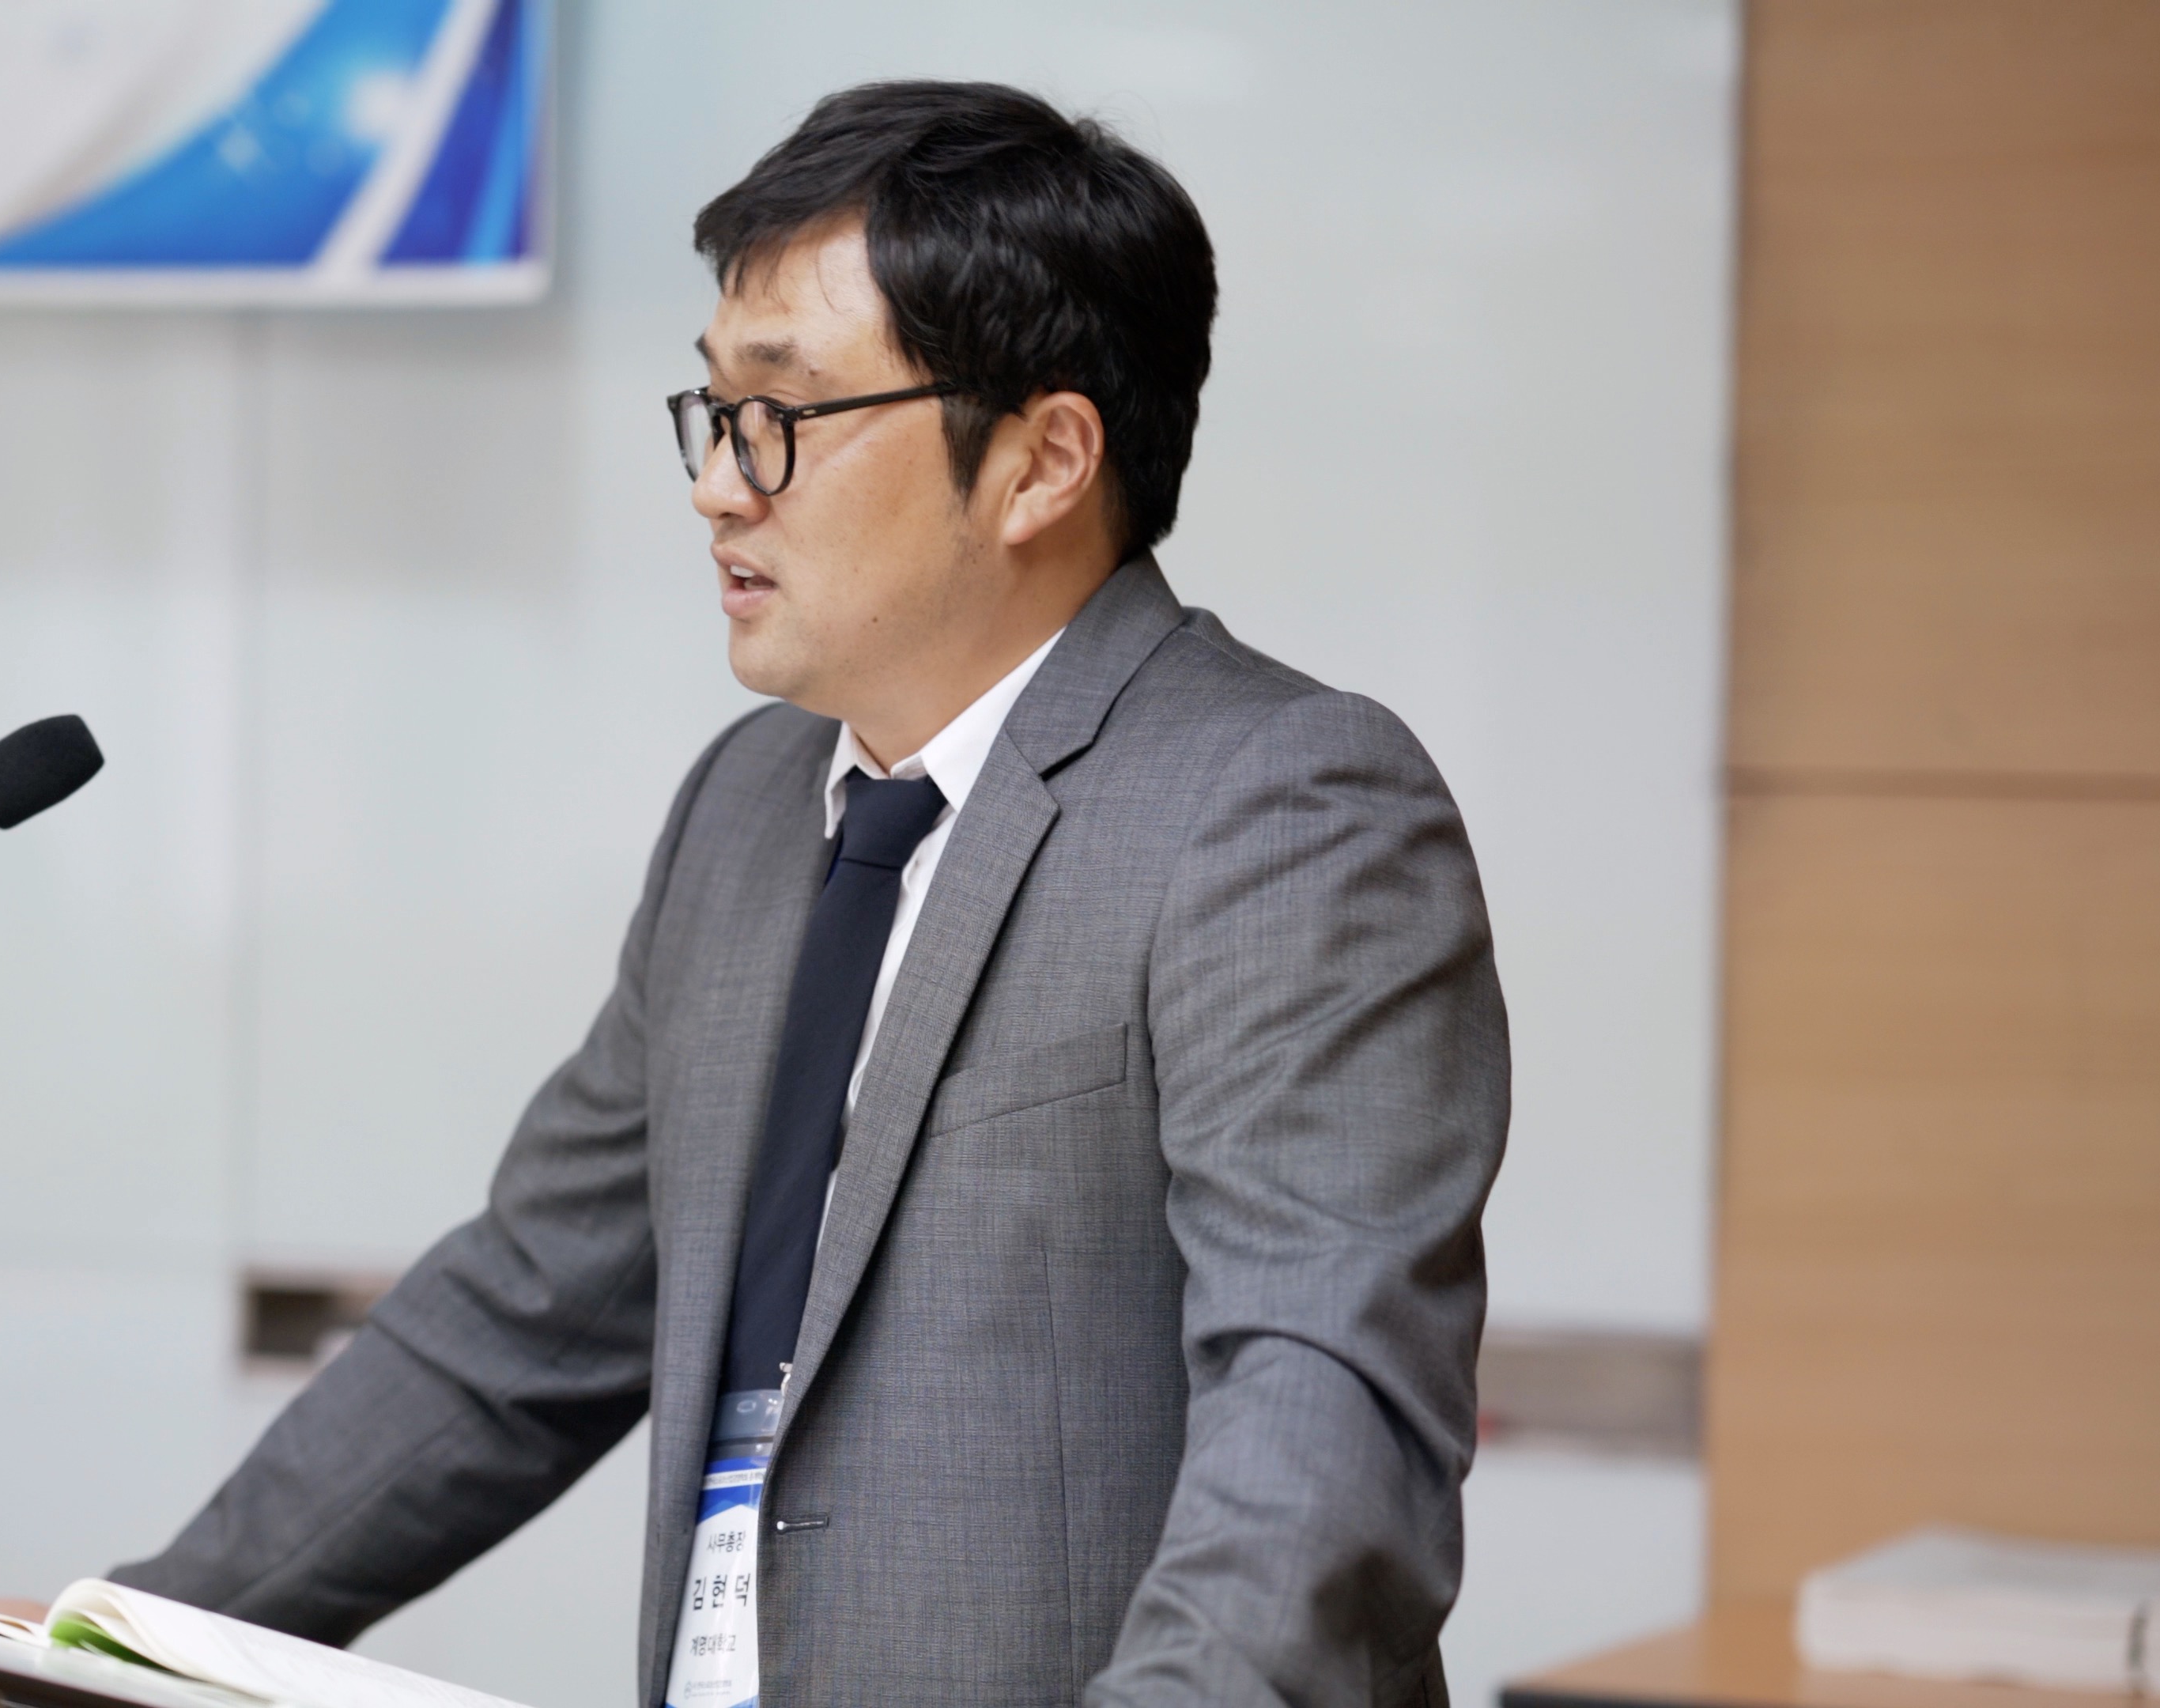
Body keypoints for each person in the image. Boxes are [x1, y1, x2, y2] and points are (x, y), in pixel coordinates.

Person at [108, 81, 1508, 1708]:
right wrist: (124, 1635)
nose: (719, 484)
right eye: (711, 412)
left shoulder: (1283, 811)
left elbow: (1321, 1423)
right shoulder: (746, 809)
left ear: (1043, 462)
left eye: (782, 413)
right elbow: (523, 1316)